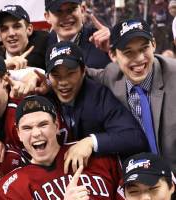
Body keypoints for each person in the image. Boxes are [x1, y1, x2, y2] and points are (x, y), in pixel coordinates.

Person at [0, 95, 126, 200]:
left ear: (56, 126)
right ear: (18, 133)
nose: (36, 133)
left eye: (43, 124)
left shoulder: (92, 154)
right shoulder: (11, 188)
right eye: (27, 128)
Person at [42, 41, 148, 172]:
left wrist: (92, 142)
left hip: (98, 175)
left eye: (70, 73)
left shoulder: (99, 95)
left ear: (83, 71)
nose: (63, 82)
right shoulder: (43, 96)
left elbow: (135, 138)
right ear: (47, 76)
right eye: (56, 75)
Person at [87, 18, 176, 167]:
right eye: (128, 52)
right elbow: (76, 75)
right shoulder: (111, 75)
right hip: (139, 179)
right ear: (113, 55)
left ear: (153, 45)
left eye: (144, 49)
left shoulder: (172, 74)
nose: (140, 59)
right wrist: (41, 77)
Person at [44, 0, 111, 69]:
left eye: (71, 9)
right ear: (47, 17)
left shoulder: (104, 41)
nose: (66, 16)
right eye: (58, 11)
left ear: (82, 10)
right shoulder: (42, 45)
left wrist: (114, 49)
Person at [0, 4, 48, 70]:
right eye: (4, 29)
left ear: (29, 29)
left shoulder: (47, 55)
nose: (11, 34)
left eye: (17, 26)